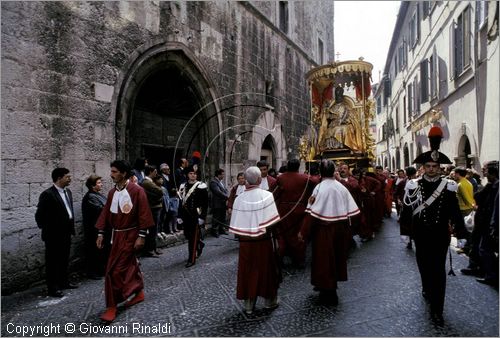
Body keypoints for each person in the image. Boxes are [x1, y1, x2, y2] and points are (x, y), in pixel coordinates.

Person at [400, 126, 466, 322]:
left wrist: (461, 234)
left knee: (438, 270)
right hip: (420, 234)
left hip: (439, 235)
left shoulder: (449, 187)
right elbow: (407, 210)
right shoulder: (414, 185)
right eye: (427, 166)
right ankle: (427, 289)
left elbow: (456, 212)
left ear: (440, 168)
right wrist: (405, 231)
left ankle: (438, 309)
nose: (431, 169)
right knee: (424, 267)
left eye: (434, 167)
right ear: (423, 167)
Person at [95, 160, 155, 322]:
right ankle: (139, 292)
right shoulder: (111, 193)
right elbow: (106, 214)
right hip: (116, 236)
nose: (111, 174)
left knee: (114, 271)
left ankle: (112, 306)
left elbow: (144, 214)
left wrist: (141, 236)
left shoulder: (137, 191)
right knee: (129, 266)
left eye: (114, 172)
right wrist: (101, 233)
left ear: (123, 173)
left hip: (131, 235)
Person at [298, 160, 360, 305]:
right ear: (333, 172)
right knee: (337, 257)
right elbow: (354, 212)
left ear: (320, 172)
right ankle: (327, 286)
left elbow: (311, 212)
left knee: (323, 260)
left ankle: (328, 291)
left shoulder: (319, 188)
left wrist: (303, 232)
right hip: (340, 229)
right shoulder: (341, 187)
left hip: (323, 230)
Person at [229, 166, 281, 314]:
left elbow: (236, 224)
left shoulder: (239, 199)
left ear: (245, 181)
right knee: (266, 269)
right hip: (263, 241)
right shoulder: (267, 196)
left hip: (245, 242)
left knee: (247, 270)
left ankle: (248, 304)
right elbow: (272, 222)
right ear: (259, 180)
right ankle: (269, 301)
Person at [35, 167, 78, 297]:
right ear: (59, 178)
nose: (70, 178)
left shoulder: (68, 192)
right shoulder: (47, 194)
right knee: (53, 261)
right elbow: (39, 216)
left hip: (66, 232)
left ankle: (64, 281)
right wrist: (49, 230)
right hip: (53, 235)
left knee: (64, 259)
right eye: (67, 177)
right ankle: (52, 288)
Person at [461, 161, 499, 285]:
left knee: (485, 249)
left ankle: (491, 275)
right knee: (479, 246)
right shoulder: (490, 185)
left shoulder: (496, 186)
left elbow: (494, 207)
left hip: (488, 223)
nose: (483, 171)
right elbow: (479, 197)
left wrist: (493, 226)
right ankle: (481, 269)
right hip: (483, 222)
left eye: (485, 169)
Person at [274, 159, 316, 268]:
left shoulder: (280, 178)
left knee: (283, 233)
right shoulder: (305, 178)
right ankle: (299, 259)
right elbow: (315, 183)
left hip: (283, 210)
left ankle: (282, 255)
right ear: (298, 167)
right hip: (298, 209)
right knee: (299, 233)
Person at [178, 165, 209, 267]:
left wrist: (202, 218)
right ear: (187, 175)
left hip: (196, 215)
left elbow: (205, 204)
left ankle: (191, 259)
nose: (193, 175)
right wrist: (179, 216)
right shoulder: (183, 186)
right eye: (191, 173)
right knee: (187, 235)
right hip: (186, 215)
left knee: (192, 238)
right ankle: (199, 244)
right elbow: (181, 202)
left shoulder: (201, 186)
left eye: (195, 174)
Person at [82, 174, 109, 279]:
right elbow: (101, 209)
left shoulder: (98, 195)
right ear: (93, 186)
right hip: (93, 228)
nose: (101, 184)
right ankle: (92, 272)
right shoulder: (90, 196)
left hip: (100, 227)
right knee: (93, 250)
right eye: (98, 183)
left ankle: (100, 269)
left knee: (100, 250)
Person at [140, 165, 164, 257]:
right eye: (154, 171)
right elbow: (160, 191)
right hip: (153, 208)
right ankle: (150, 250)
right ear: (150, 172)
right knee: (152, 229)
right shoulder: (147, 182)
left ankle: (153, 248)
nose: (156, 173)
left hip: (155, 207)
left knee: (154, 229)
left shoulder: (150, 182)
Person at [209, 168, 229, 237]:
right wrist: (227, 197)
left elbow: (225, 190)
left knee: (222, 217)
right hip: (217, 203)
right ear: (218, 175)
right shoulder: (213, 182)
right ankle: (214, 231)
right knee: (216, 218)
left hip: (223, 203)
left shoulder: (220, 182)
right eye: (222, 174)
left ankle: (221, 229)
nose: (223, 176)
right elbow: (218, 192)